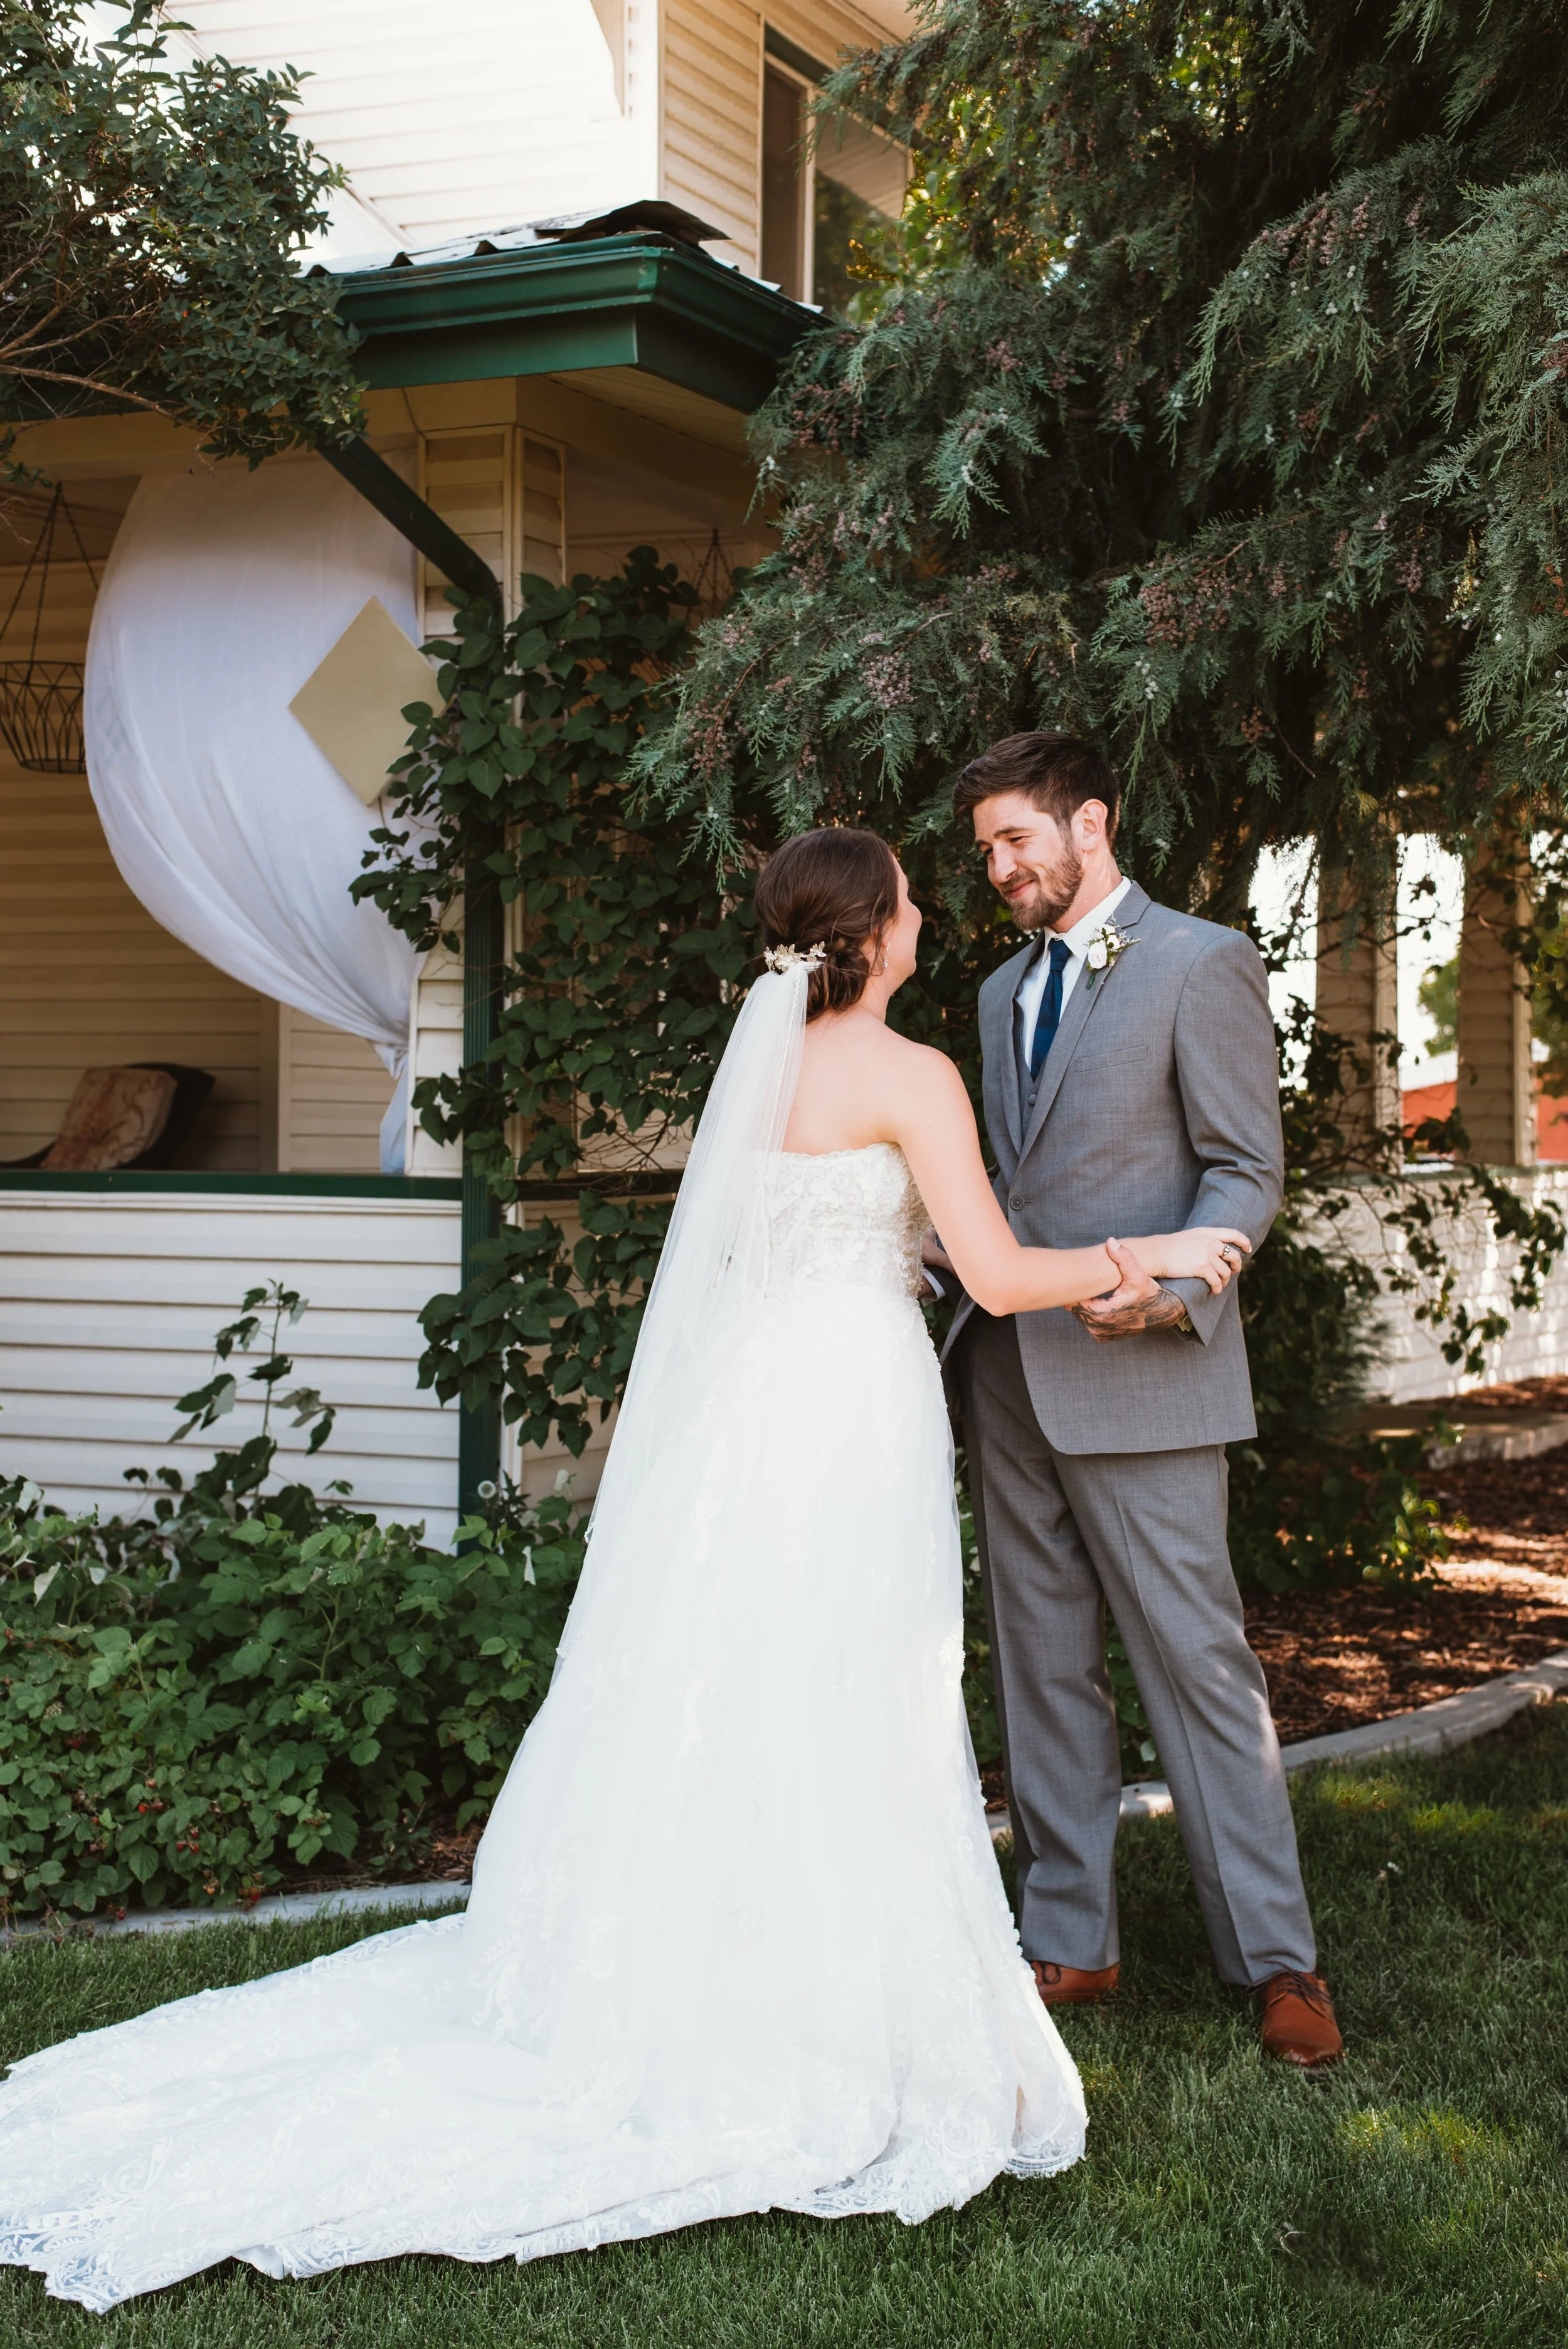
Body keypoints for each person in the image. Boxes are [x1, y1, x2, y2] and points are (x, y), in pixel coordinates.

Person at [0, 826, 1253, 2313]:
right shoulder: (910, 1075)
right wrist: (1160, 1252)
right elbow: (992, 1277)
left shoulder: (761, 1070)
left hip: (752, 1409)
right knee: (846, 1687)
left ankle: (701, 1959)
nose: (929, 908)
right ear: (870, 931)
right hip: (848, 1413)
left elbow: (801, 1242)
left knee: (733, 1678)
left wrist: (891, 1254)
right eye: (912, 894)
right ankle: (816, 2008)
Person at [931, 731, 1343, 2071]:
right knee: (1038, 1662)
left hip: (1150, 1371)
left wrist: (1173, 1295)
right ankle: (1071, 1935)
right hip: (1005, 1374)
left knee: (1196, 1666)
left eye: (1013, 841)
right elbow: (1013, 1188)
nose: (994, 868)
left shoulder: (1200, 962)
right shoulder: (996, 997)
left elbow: (1240, 1173)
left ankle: (1277, 1961)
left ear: (1087, 824)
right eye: (983, 848)